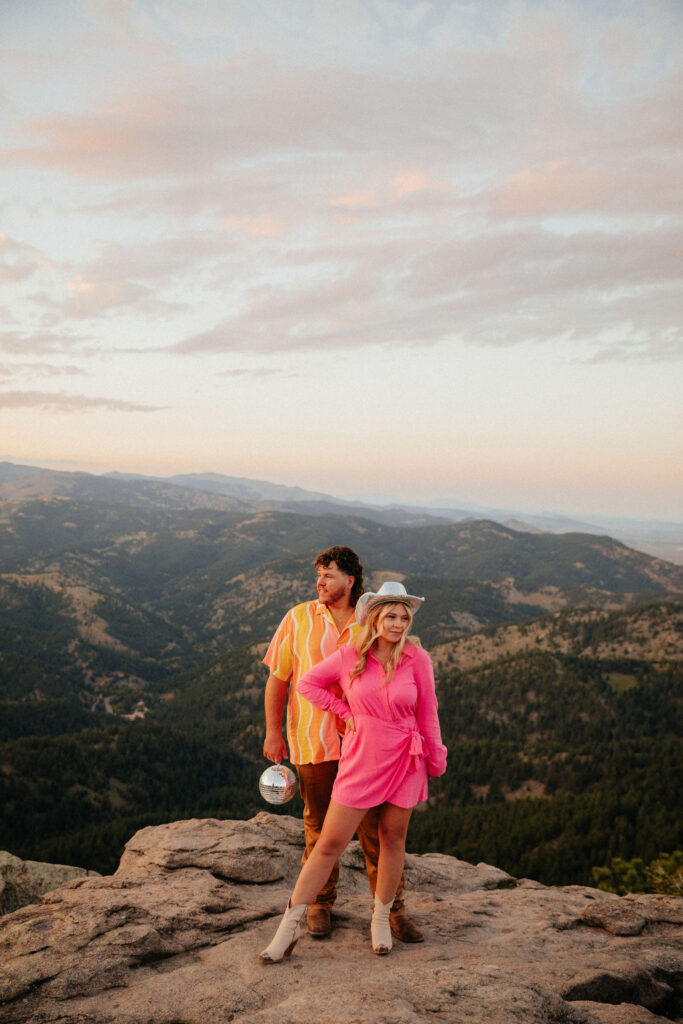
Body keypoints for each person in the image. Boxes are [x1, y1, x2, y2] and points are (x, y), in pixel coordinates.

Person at [258, 581, 447, 964]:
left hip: (406, 758)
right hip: (362, 758)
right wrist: (346, 714)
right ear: (374, 619)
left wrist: (436, 755)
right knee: (329, 844)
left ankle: (380, 920)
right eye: (390, 616)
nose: (397, 624)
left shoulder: (417, 659)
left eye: (403, 617)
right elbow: (308, 683)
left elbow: (428, 711)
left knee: (392, 839)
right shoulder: (350, 656)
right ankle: (287, 929)